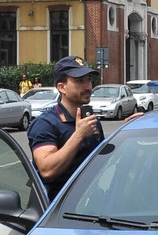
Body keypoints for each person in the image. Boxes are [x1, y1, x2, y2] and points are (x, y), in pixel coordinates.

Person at [28, 56, 104, 201]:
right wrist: (79, 135)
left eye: (88, 80)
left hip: (90, 206)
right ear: (61, 87)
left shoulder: (90, 120)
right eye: (80, 81)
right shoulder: (46, 123)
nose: (88, 86)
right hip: (56, 210)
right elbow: (47, 170)